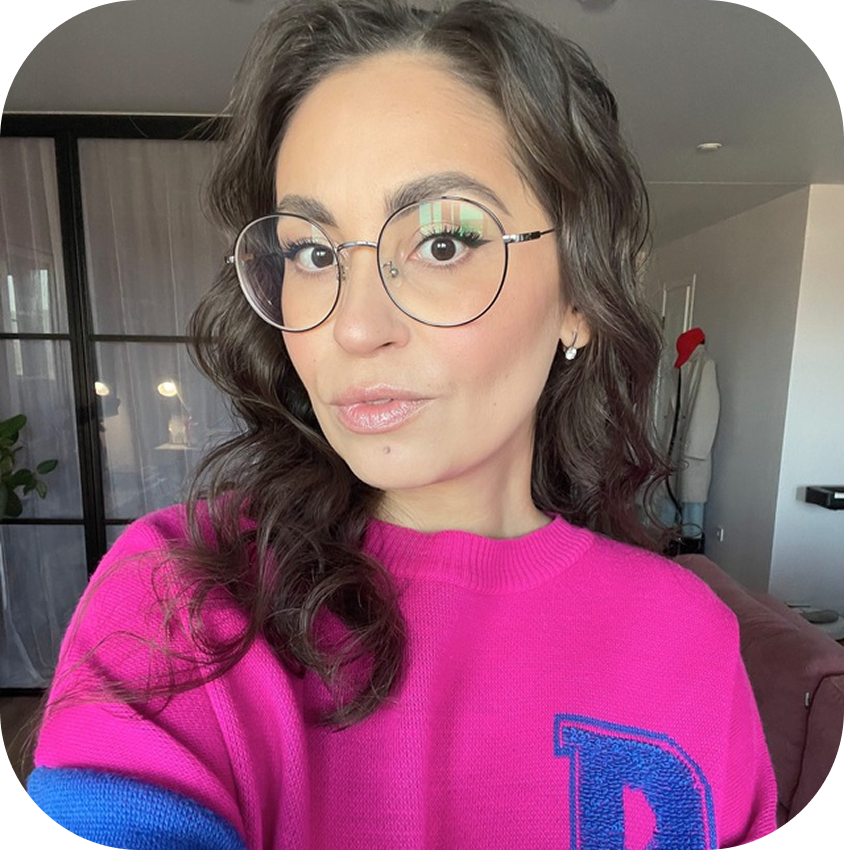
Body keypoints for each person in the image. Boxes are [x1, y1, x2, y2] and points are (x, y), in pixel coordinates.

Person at [26, 1, 778, 847]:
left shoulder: (688, 632)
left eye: (444, 243)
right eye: (314, 253)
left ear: (579, 292)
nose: (353, 327)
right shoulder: (186, 604)